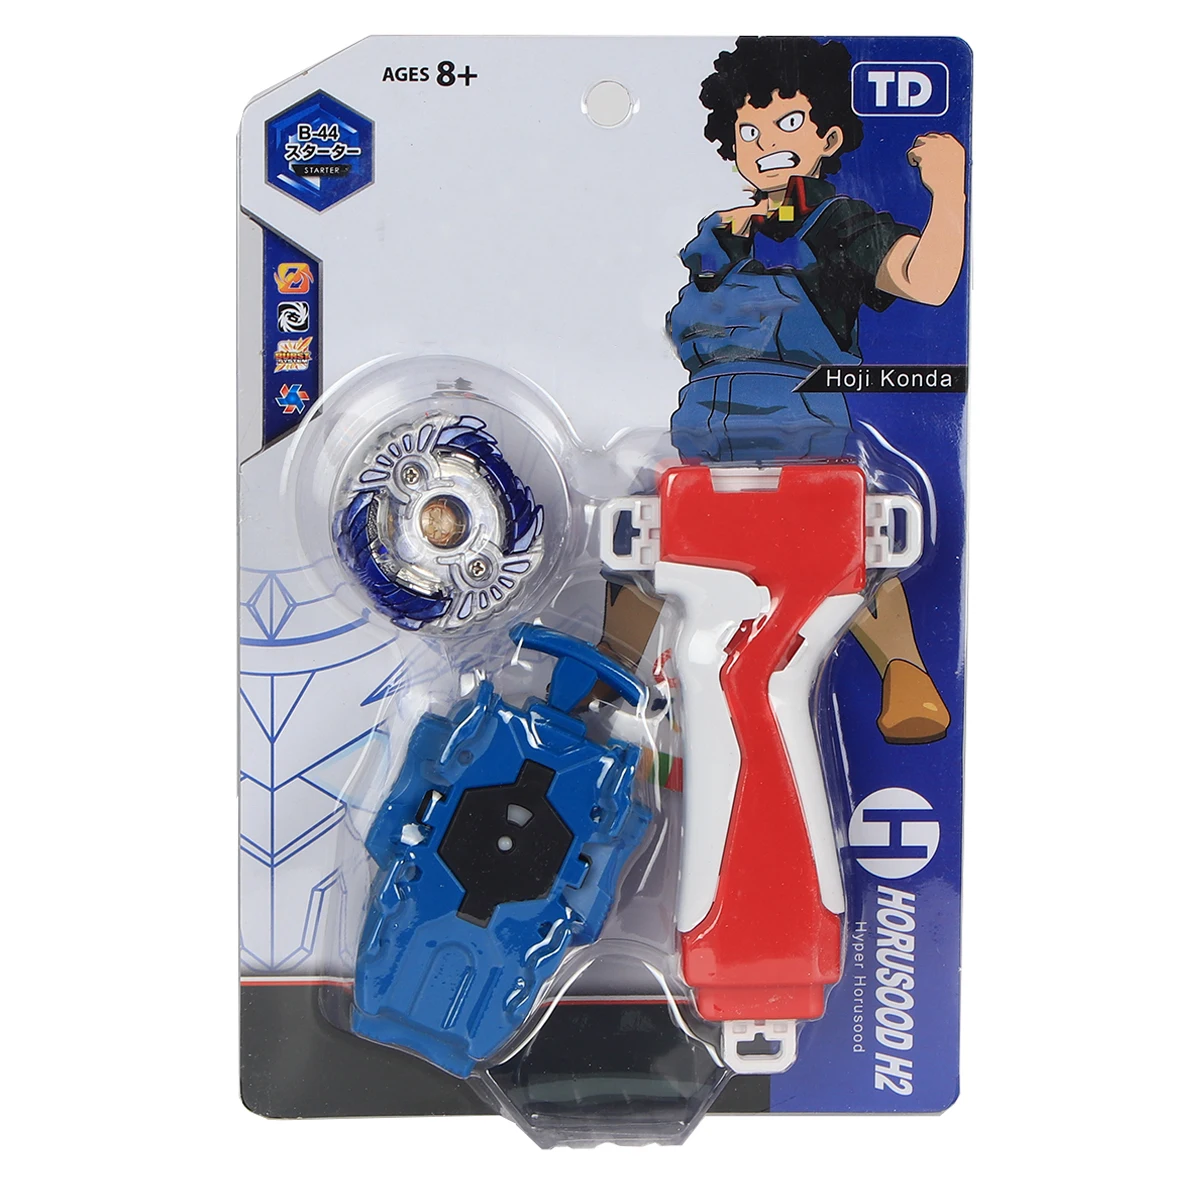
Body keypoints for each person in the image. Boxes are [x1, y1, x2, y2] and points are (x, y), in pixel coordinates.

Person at [599, 36, 966, 744]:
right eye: (749, 130)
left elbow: (926, 280)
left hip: (802, 439)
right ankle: (604, 675)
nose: (767, 142)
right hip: (703, 445)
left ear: (828, 137)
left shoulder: (838, 228)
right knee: (651, 548)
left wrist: (947, 190)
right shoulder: (718, 239)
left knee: (840, 550)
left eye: (788, 123)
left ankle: (905, 673)